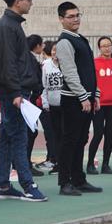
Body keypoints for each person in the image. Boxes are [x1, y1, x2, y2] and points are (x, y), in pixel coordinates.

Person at [0, 0, 47, 202]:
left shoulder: (11, 26)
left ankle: (3, 185)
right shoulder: (7, 27)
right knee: (19, 137)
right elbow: (8, 63)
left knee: (7, 137)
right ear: (18, 1)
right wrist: (15, 93)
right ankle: (28, 185)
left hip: (15, 90)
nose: (30, 3)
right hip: (14, 92)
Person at [55, 1, 103, 196]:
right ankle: (64, 182)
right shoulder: (64, 42)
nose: (75, 19)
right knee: (70, 140)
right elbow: (69, 72)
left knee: (81, 140)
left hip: (86, 99)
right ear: (61, 19)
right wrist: (83, 96)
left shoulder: (80, 39)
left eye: (77, 15)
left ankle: (78, 179)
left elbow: (90, 70)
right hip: (73, 100)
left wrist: (95, 94)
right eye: (70, 16)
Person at [87, 36, 112, 174]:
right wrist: (92, 100)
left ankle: (106, 164)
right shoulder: (94, 63)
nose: (107, 48)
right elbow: (91, 83)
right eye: (104, 46)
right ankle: (90, 164)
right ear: (99, 48)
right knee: (98, 134)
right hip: (98, 105)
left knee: (110, 135)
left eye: (109, 45)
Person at [24, 34, 46, 177]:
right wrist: (38, 91)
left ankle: (24, 162)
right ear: (36, 45)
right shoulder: (30, 59)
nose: (43, 47)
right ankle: (24, 163)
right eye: (41, 44)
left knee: (30, 132)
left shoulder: (29, 58)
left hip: (30, 99)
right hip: (29, 100)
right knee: (30, 132)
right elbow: (34, 80)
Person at [41, 41, 63, 175]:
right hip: (52, 106)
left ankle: (65, 163)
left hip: (66, 106)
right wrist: (45, 102)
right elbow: (44, 86)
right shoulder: (46, 66)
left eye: (58, 50)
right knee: (55, 136)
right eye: (54, 50)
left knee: (65, 135)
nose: (55, 53)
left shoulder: (67, 65)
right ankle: (57, 163)